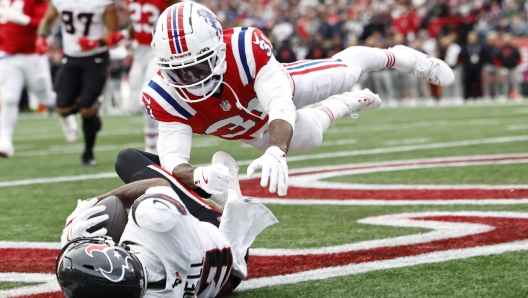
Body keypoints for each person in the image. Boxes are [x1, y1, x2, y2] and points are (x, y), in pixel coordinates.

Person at [142, 2, 455, 199]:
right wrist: (196, 175)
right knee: (312, 138)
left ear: (219, 50)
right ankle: (349, 103)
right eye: (178, 72)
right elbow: (172, 158)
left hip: (288, 89)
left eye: (197, 66)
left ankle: (398, 56)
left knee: (345, 72)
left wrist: (277, 151)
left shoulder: (243, 47)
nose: (190, 79)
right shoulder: (163, 94)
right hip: (250, 128)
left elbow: (279, 102)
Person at [56, 150, 277, 297]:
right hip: (221, 233)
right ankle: (224, 194)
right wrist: (93, 203)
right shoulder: (151, 221)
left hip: (231, 276)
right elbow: (159, 184)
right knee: (127, 159)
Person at [37, 0, 124, 166]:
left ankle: (88, 153)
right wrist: (41, 38)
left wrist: (97, 42)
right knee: (62, 108)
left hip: (96, 58)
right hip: (70, 57)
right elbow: (47, 21)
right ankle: (92, 111)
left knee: (86, 108)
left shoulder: (104, 3)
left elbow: (113, 31)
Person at [0, 0, 77, 158]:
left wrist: (24, 20)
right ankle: (5, 142)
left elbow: (46, 24)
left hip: (33, 56)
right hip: (8, 55)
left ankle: (66, 117)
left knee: (47, 98)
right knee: (9, 98)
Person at [126, 0, 179, 154]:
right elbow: (136, 24)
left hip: (156, 50)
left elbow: (178, 13)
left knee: (146, 98)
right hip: (139, 52)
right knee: (132, 106)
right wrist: (123, 35)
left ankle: (152, 146)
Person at [459, 31, 485, 100]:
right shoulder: (464, 46)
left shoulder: (480, 46)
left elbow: (483, 57)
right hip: (468, 68)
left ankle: (479, 96)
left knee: (478, 83)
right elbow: (461, 57)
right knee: (467, 83)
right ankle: (468, 96)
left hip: (477, 68)